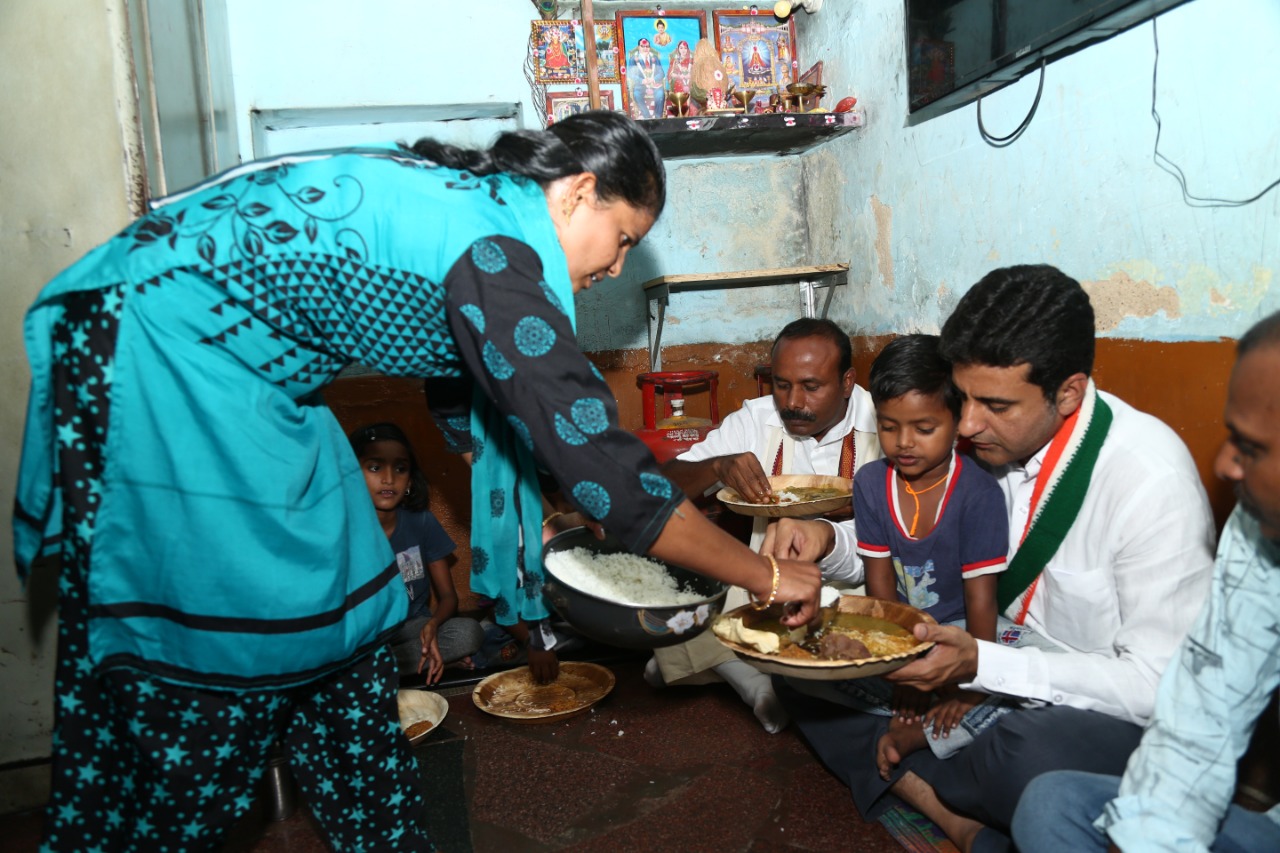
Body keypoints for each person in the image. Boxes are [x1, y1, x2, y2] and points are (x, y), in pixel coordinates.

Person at [13, 111, 820, 851]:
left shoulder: (487, 221)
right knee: (212, 648)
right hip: (157, 344)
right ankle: (147, 821)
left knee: (351, 611)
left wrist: (538, 502)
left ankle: (386, 833)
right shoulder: (499, 250)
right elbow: (607, 470)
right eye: (619, 239)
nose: (613, 267)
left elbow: (457, 385)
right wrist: (767, 573)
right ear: (577, 194)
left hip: (257, 382)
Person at [765, 265, 1216, 853]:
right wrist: (829, 540)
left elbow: (1161, 686)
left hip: (1080, 709)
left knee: (1029, 757)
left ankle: (918, 775)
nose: (969, 424)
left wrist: (982, 670)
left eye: (994, 404)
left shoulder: (1148, 482)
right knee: (798, 664)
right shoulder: (988, 445)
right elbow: (916, 559)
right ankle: (936, 792)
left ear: (1069, 392)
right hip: (973, 657)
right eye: (963, 399)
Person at [1011, 311, 1280, 853]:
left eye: (1252, 449)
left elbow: (1151, 685)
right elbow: (1202, 717)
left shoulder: (1147, 472)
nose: (1225, 465)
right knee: (1053, 806)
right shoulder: (1258, 532)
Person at [645, 318, 881, 733]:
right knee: (678, 589)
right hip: (765, 582)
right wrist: (716, 465)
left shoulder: (884, 424)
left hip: (859, 577)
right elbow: (659, 489)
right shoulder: (756, 420)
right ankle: (756, 682)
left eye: (811, 386)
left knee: (875, 618)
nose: (793, 401)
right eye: (781, 384)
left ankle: (726, 668)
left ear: (847, 382)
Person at [849, 334, 1009, 778]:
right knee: (802, 668)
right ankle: (931, 716)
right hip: (900, 632)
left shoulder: (978, 492)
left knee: (1019, 687)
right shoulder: (869, 484)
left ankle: (923, 727)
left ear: (957, 421)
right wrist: (902, 665)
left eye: (924, 429)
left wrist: (970, 684)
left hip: (964, 633)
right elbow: (879, 588)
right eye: (888, 426)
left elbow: (982, 604)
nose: (903, 443)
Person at [349, 422, 484, 684]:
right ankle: (414, 663)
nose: (389, 479)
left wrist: (432, 626)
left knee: (469, 633)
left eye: (400, 468)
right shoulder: (344, 531)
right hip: (366, 635)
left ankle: (384, 671)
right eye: (375, 467)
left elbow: (447, 597)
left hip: (412, 628)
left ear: (410, 480)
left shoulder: (421, 521)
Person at [627, 38, 665, 119]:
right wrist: (642, 81)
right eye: (642, 46)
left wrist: (653, 79)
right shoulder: (633, 59)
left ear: (649, 48)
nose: (645, 48)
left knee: (660, 94)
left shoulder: (654, 58)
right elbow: (631, 74)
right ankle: (647, 117)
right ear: (638, 47)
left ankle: (658, 117)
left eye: (647, 46)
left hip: (654, 83)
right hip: (641, 85)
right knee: (636, 94)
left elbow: (661, 73)